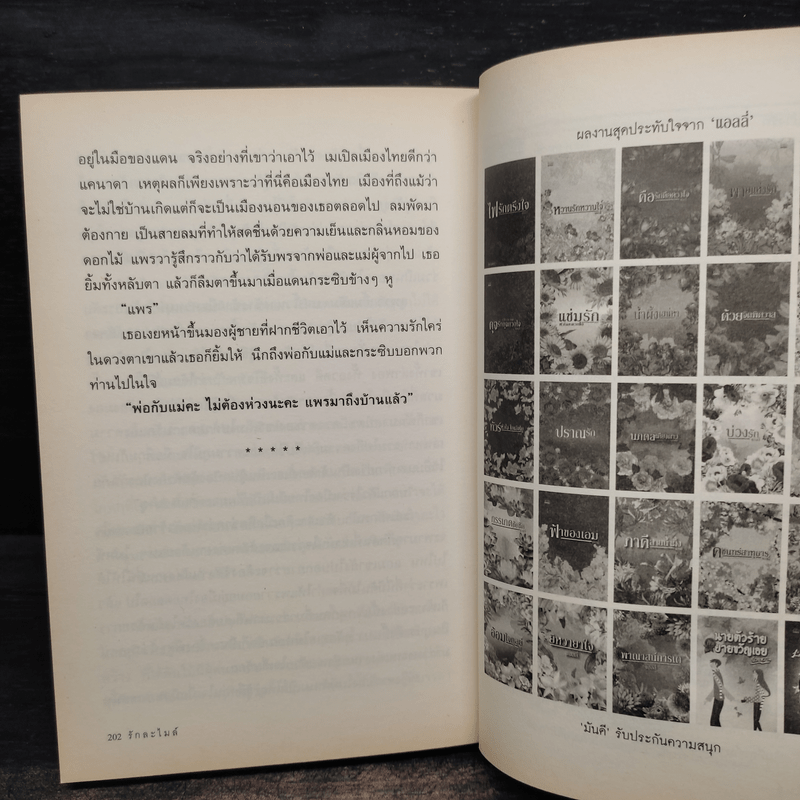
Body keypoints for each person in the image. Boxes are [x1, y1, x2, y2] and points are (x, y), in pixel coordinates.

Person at [705, 659, 732, 726]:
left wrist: (731, 698)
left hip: (718, 699)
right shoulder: (717, 672)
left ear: (716, 664)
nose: (710, 664)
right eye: (710, 662)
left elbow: (720, 686)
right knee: (716, 720)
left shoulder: (716, 673)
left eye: (712, 662)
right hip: (719, 699)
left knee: (713, 721)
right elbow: (717, 687)